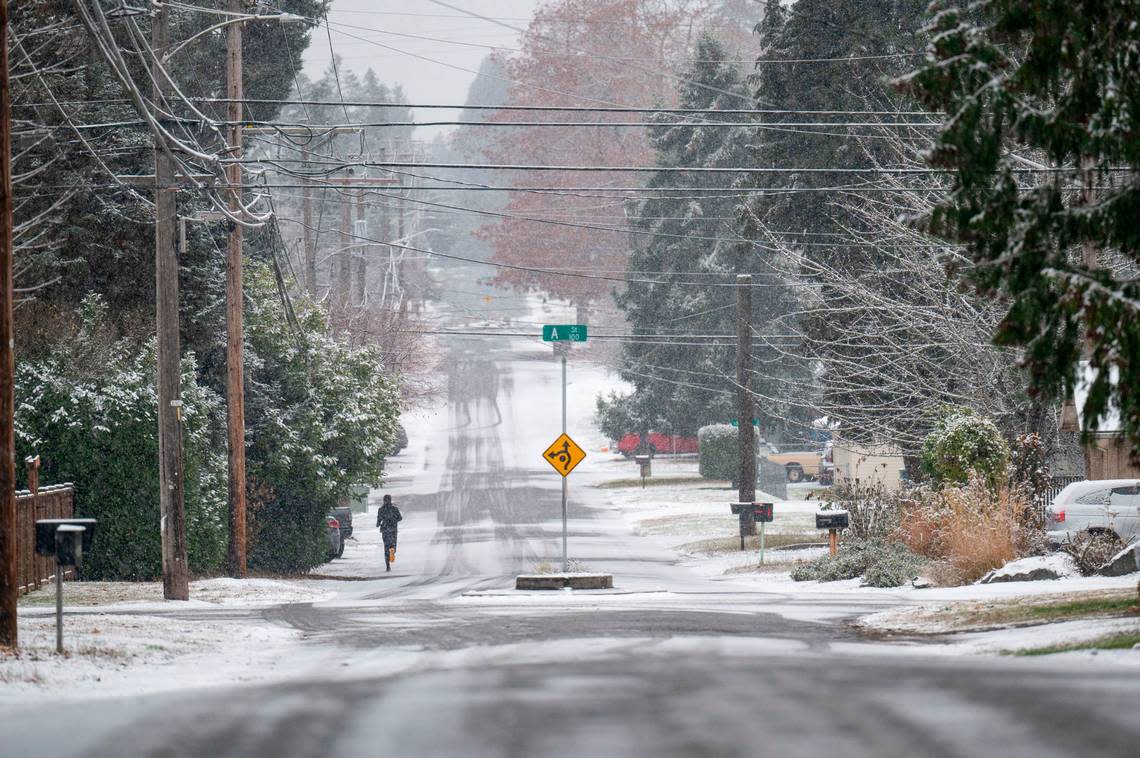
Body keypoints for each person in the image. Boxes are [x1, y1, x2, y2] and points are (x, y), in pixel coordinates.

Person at [376, 494, 403, 572]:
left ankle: (388, 566)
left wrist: (378, 524)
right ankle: (392, 550)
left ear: (384, 500)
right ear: (390, 500)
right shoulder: (394, 508)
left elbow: (378, 521)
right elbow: (400, 518)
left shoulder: (381, 509)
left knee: (386, 546)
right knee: (393, 544)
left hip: (385, 530)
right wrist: (393, 521)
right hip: (393, 530)